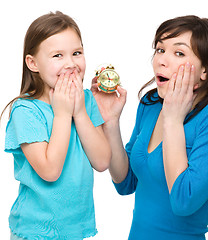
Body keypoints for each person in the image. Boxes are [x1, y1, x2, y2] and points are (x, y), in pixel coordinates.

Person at [91, 15, 208, 240]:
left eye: (179, 53)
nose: (161, 61)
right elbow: (125, 183)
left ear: (204, 70)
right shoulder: (150, 103)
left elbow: (184, 201)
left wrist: (173, 120)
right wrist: (111, 122)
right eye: (160, 49)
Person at [1, 11, 111, 240]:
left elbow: (101, 162)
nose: (71, 63)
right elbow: (50, 171)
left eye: (77, 53)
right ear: (33, 63)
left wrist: (79, 112)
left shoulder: (86, 100)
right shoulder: (25, 110)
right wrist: (62, 115)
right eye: (58, 55)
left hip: (75, 229)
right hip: (35, 231)